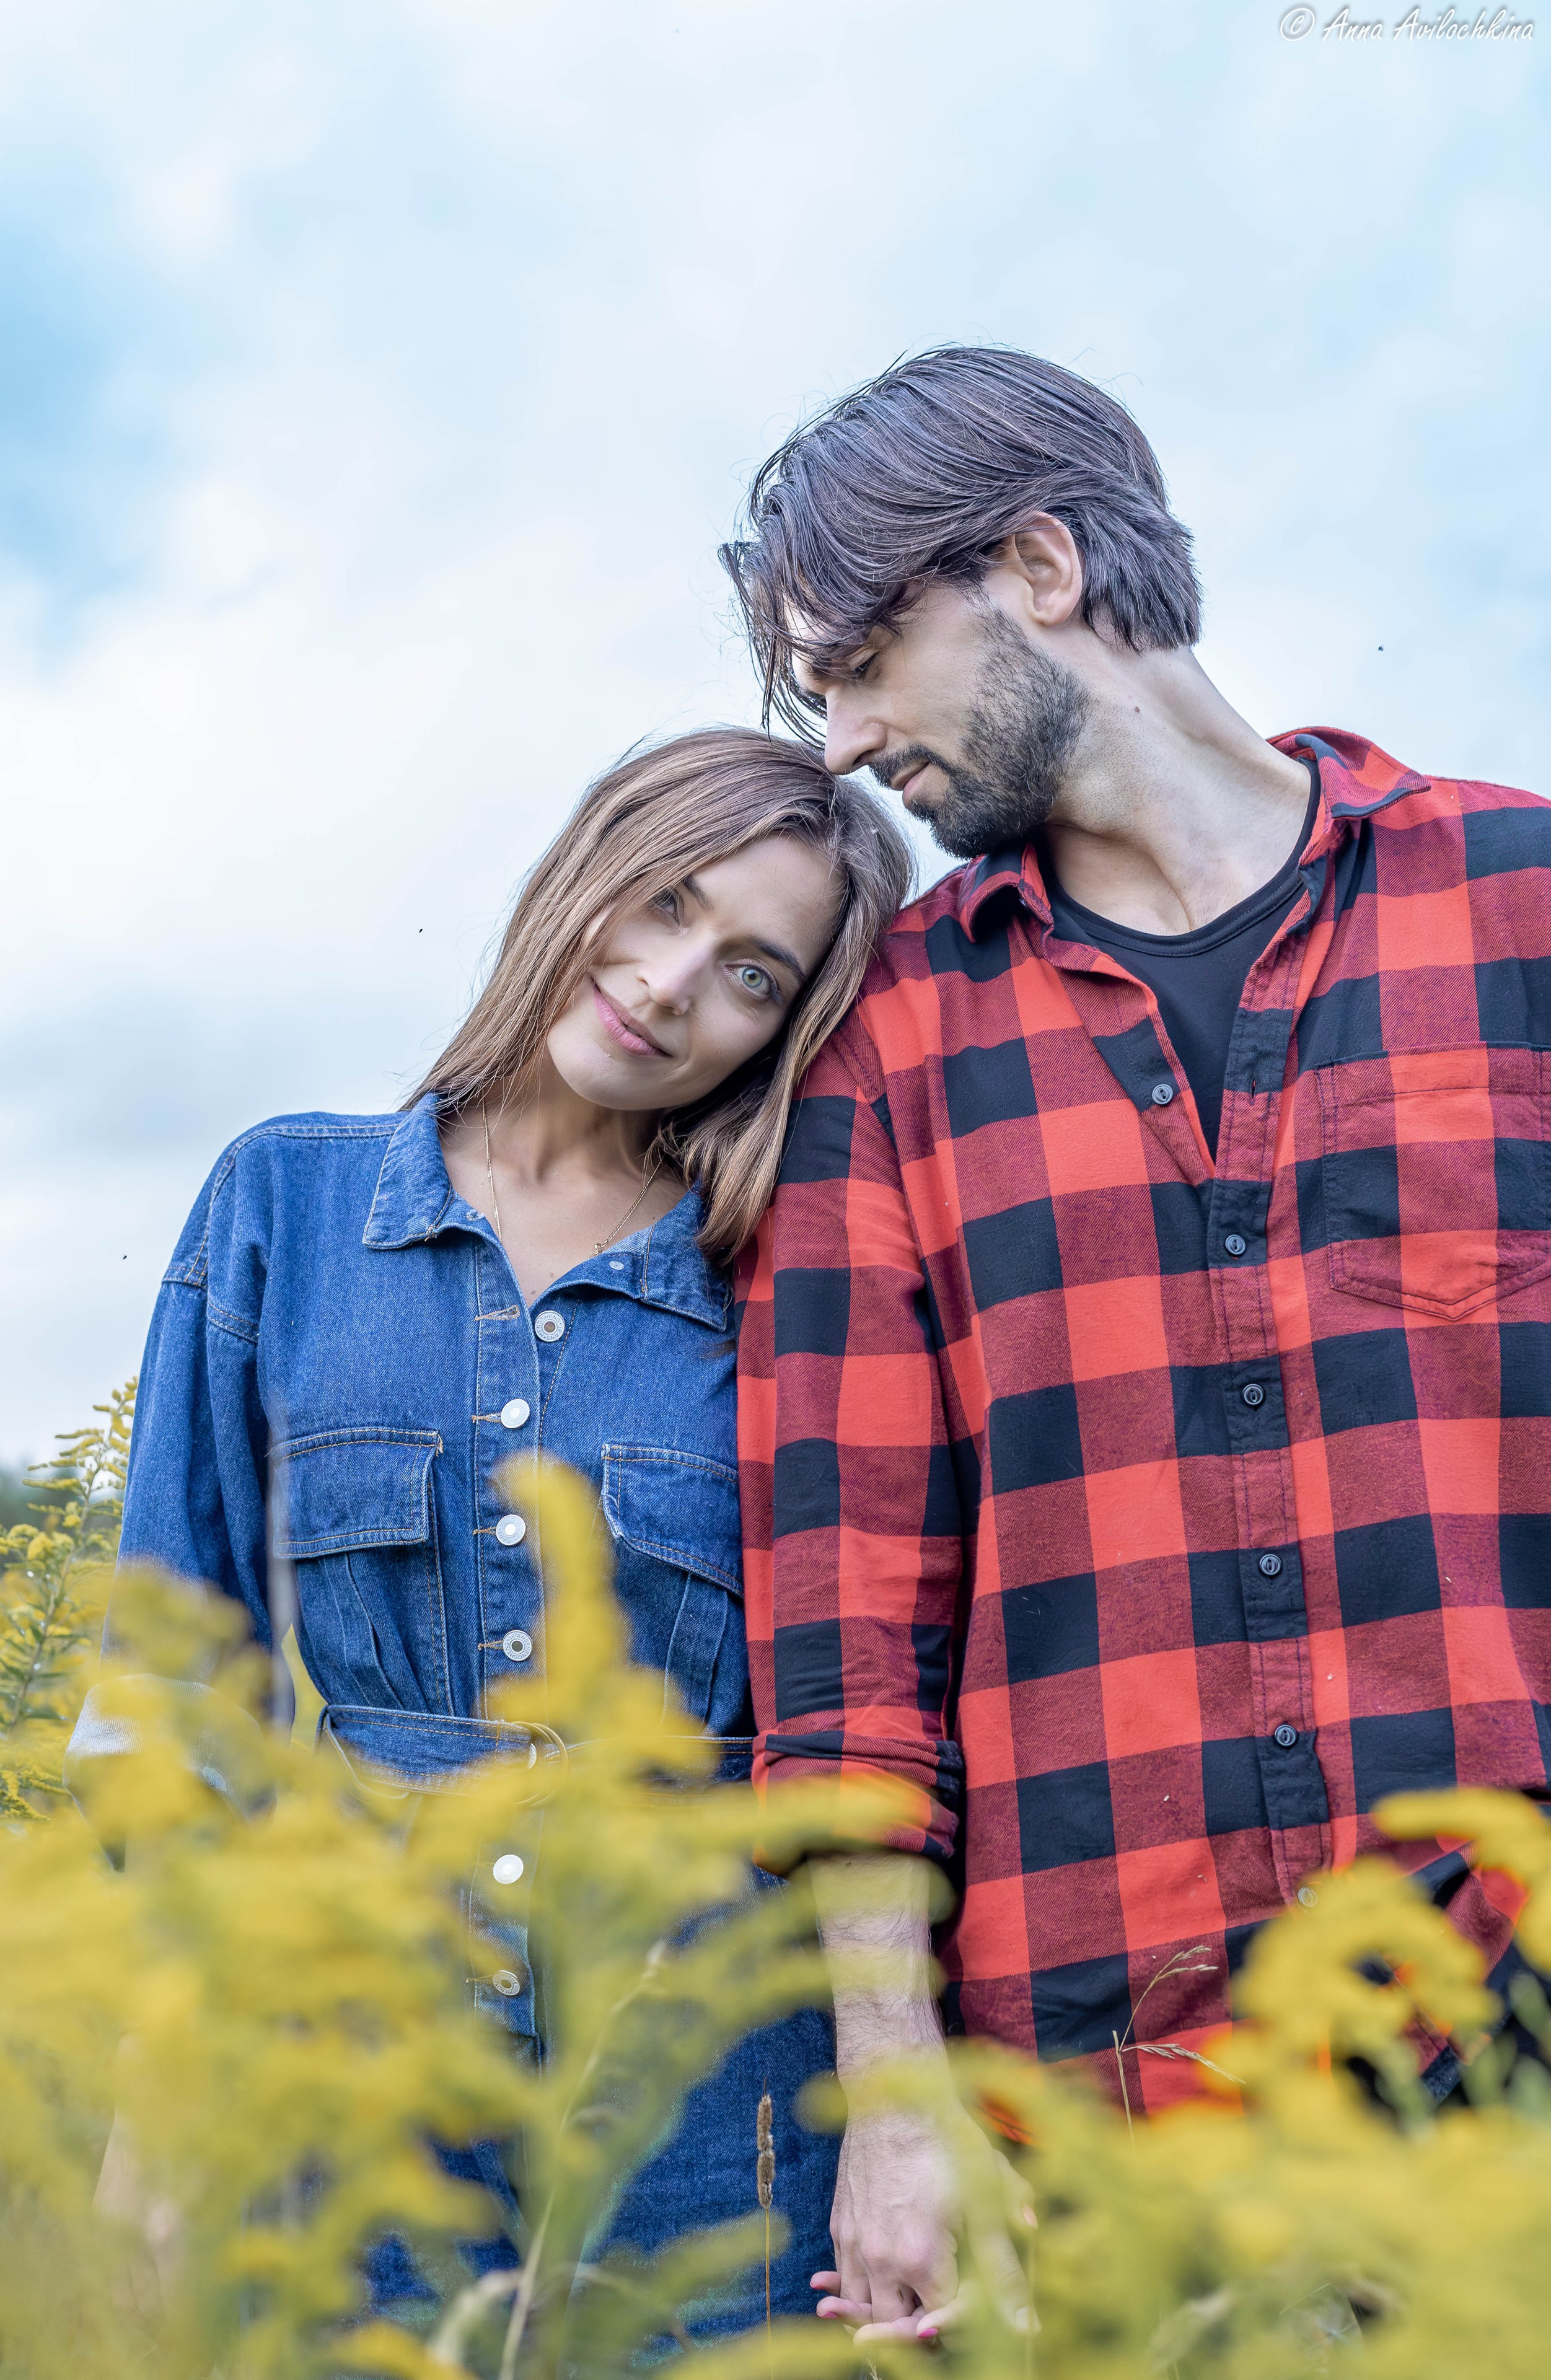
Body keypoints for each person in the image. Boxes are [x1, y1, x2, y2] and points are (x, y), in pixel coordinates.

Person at [721, 345, 1551, 2338]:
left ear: (1036, 562)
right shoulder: (888, 1044)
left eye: (854, 664)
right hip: (1106, 2105)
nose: (839, 742)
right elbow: (847, 1619)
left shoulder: (1523, 907)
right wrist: (894, 2092)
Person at [84, 727, 912, 2329]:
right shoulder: (285, 1207)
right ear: (584, 865)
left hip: (713, 2097)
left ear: (785, 1030)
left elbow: (862, 1693)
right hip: (349, 2057)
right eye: (664, 899)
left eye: (751, 971)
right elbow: (183, 1690)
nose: (673, 982)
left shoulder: (790, 1279)